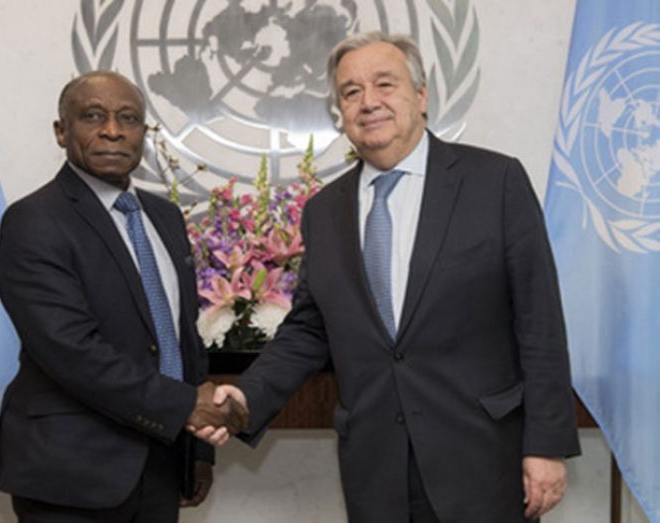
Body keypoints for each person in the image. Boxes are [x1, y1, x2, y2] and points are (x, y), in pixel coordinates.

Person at [193, 32, 580, 522]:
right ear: (340, 111)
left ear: (421, 96)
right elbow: (311, 328)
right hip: (377, 468)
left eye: (384, 84)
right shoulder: (324, 211)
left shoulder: (496, 182)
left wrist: (546, 445)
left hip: (483, 462)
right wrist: (246, 395)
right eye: (351, 92)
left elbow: (540, 321)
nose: (368, 102)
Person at [0, 71, 246, 523]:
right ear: (61, 131)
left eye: (129, 118)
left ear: (143, 133)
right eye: (93, 116)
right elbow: (71, 351)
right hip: (69, 475)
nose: (113, 130)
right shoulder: (33, 221)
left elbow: (184, 341)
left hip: (160, 463)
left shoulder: (164, 218)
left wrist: (198, 450)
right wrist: (184, 406)